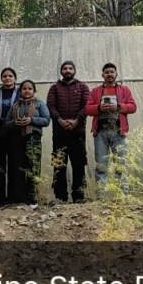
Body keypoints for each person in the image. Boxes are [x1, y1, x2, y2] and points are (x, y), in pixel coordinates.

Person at [86, 63, 137, 191]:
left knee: (120, 164)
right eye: (107, 72)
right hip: (100, 132)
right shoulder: (95, 91)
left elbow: (133, 107)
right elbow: (87, 109)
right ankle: (101, 196)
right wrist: (99, 108)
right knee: (101, 165)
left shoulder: (124, 90)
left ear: (116, 74)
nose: (109, 74)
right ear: (102, 75)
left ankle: (122, 195)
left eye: (112, 72)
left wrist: (118, 107)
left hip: (118, 131)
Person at [46, 60, 90, 203]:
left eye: (70, 68)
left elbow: (87, 106)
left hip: (78, 133)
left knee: (79, 164)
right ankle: (60, 197)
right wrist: (60, 120)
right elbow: (50, 106)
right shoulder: (54, 88)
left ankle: (79, 196)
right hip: (60, 133)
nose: (68, 70)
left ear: (74, 71)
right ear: (61, 71)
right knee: (59, 164)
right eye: (65, 68)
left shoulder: (82, 87)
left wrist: (76, 121)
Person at [4, 80, 51, 205]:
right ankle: (18, 198)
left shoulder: (39, 104)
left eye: (30, 88)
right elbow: (6, 123)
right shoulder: (15, 105)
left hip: (33, 138)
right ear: (20, 91)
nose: (27, 91)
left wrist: (31, 120)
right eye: (24, 89)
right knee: (18, 167)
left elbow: (46, 120)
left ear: (34, 91)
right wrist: (15, 122)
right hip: (16, 139)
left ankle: (33, 198)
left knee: (33, 166)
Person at [0, 68, 19, 205]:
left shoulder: (20, 94)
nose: (7, 78)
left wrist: (11, 123)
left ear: (15, 78)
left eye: (10, 76)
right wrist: (3, 122)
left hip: (15, 134)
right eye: (5, 76)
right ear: (1, 79)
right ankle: (0, 198)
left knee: (14, 166)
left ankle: (13, 197)